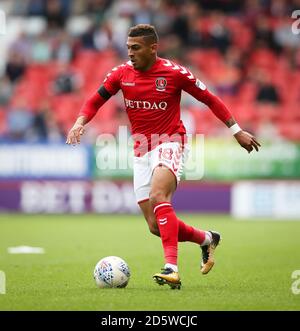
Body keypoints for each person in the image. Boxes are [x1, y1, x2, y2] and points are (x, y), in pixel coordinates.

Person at [66, 24, 261, 289]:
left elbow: (210, 99)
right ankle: (207, 238)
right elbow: (95, 100)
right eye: (128, 48)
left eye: (136, 48)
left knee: (160, 196)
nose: (130, 53)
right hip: (141, 149)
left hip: (171, 141)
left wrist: (236, 131)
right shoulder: (121, 74)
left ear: (152, 48)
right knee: (155, 226)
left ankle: (172, 268)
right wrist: (80, 123)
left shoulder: (174, 73)